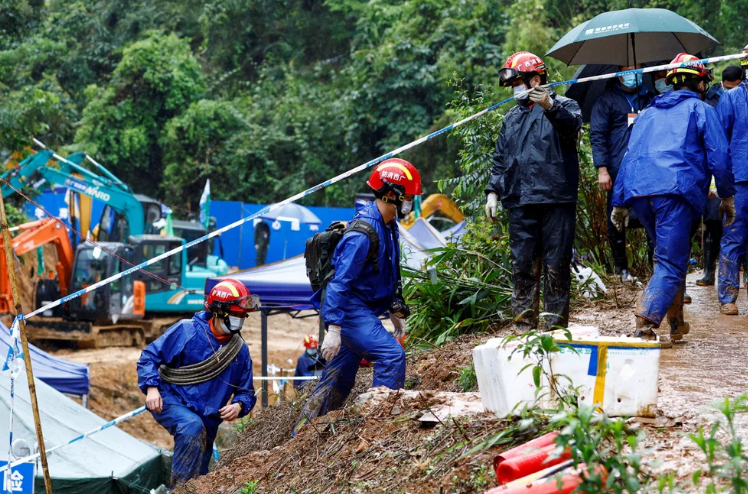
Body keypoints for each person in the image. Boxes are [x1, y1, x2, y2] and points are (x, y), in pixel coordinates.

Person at [611, 53, 736, 347]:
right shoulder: (701, 110)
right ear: (701, 83)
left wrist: (619, 202)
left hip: (642, 194)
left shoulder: (648, 113)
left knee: (669, 256)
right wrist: (728, 196)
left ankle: (677, 323)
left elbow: (627, 159)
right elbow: (719, 156)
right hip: (675, 193)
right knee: (670, 262)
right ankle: (645, 322)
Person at [293, 158, 422, 435]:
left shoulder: (387, 226)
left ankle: (302, 434)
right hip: (349, 310)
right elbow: (340, 283)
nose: (411, 202)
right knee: (391, 356)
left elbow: (384, 273)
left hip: (361, 308)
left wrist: (392, 309)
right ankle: (378, 429)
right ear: (391, 195)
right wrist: (335, 328)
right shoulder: (362, 233)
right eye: (409, 196)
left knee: (337, 377)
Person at [484, 51, 583, 331]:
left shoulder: (565, 105)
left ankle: (554, 329)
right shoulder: (511, 118)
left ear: (535, 80)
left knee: (556, 266)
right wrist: (493, 191)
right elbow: (501, 159)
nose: (514, 89)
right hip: (520, 201)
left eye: (517, 82)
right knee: (523, 267)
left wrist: (550, 106)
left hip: (556, 200)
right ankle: (523, 328)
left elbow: (572, 128)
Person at [137, 279, 257, 487]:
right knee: (191, 426)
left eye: (242, 316)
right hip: (171, 400)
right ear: (219, 312)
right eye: (236, 314)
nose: (240, 320)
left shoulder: (240, 350)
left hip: (208, 420)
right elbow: (149, 357)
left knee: (200, 474)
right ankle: (180, 492)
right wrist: (152, 388)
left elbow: (246, 391)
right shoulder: (187, 330)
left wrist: (239, 405)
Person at [590, 65, 654, 281]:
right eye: (627, 69)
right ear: (618, 73)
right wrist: (602, 169)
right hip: (618, 170)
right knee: (616, 217)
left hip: (648, 168)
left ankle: (656, 266)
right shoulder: (606, 100)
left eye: (636, 68)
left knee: (653, 216)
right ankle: (621, 269)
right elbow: (597, 135)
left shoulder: (649, 96)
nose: (632, 72)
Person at [697, 66, 744, 288]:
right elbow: (716, 145)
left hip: (732, 173)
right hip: (730, 174)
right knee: (722, 226)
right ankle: (716, 280)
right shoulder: (721, 100)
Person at [716, 61, 748, 314]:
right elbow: (719, 140)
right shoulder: (732, 98)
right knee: (734, 234)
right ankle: (727, 296)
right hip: (740, 178)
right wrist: (719, 179)